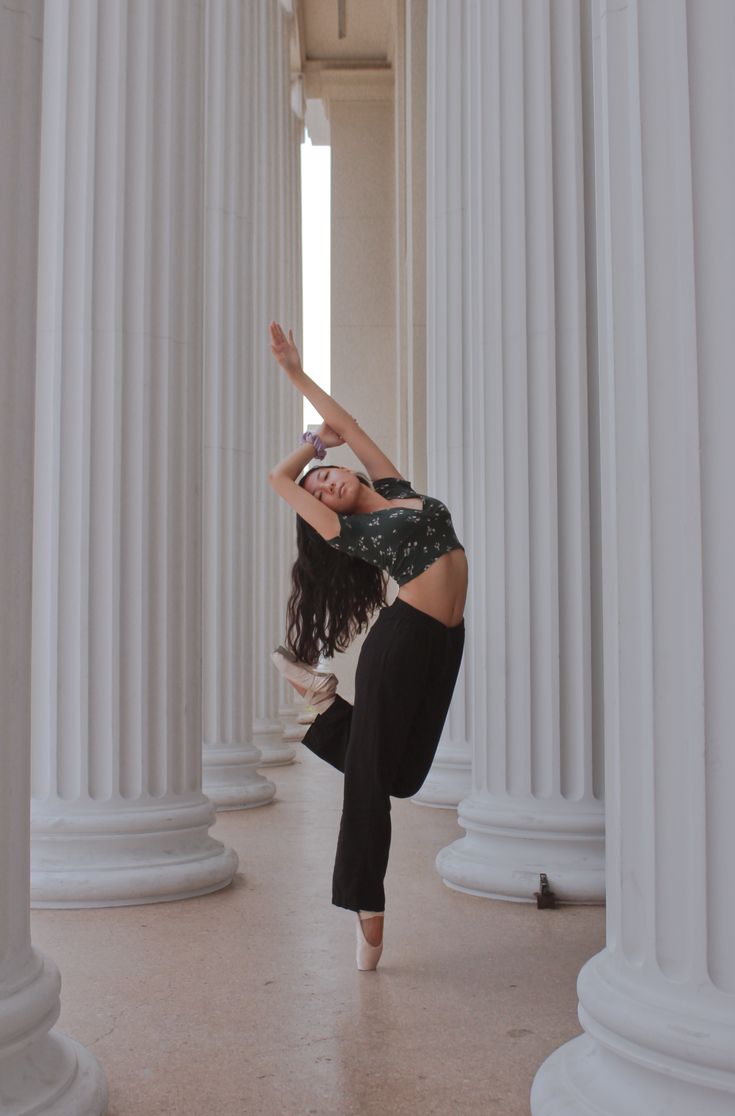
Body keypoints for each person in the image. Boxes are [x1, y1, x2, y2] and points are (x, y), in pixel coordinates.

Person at [267, 321, 467, 971]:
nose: (326, 483)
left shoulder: (396, 492)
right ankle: (364, 902)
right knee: (373, 782)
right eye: (320, 488)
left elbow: (348, 425)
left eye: (330, 474)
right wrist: (307, 447)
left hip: (445, 637)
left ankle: (325, 709)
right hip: (403, 639)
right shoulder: (348, 531)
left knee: (404, 776)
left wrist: (299, 376)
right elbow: (280, 479)